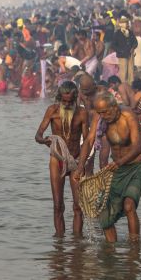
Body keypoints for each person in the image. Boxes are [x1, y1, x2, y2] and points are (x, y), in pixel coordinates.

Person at [73, 92, 141, 243]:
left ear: (114, 107)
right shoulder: (99, 118)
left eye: (106, 111)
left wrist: (119, 162)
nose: (104, 116)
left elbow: (138, 147)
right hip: (117, 170)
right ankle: (110, 250)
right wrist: (80, 167)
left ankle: (134, 248)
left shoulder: (128, 116)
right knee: (105, 215)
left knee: (128, 205)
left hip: (136, 167)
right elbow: (89, 141)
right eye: (100, 112)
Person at [34, 81, 88, 236]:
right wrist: (45, 141)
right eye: (64, 101)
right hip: (56, 159)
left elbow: (87, 140)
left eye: (70, 102)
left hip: (76, 160)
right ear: (59, 98)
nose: (67, 104)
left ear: (75, 98)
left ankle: (77, 242)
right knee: (58, 205)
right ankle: (59, 244)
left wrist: (83, 164)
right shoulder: (52, 110)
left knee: (78, 206)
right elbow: (38, 135)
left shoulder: (82, 113)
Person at [112, 17, 138, 83]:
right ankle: (123, 84)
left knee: (131, 70)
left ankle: (131, 84)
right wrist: (121, 51)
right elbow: (113, 45)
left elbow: (135, 42)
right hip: (122, 55)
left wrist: (133, 48)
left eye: (126, 22)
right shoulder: (117, 34)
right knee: (123, 71)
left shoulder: (130, 32)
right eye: (125, 23)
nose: (126, 24)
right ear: (121, 24)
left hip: (130, 54)